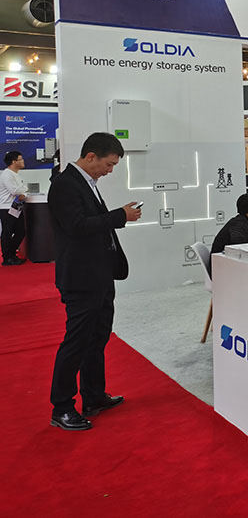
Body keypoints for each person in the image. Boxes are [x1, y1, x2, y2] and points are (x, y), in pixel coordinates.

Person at [48, 132, 142, 431]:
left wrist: (118, 216)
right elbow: (77, 226)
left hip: (100, 275)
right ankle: (62, 407)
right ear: (90, 156)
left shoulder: (87, 183)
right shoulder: (65, 184)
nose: (110, 170)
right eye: (108, 164)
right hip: (81, 278)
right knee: (76, 342)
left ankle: (93, 396)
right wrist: (120, 216)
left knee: (97, 339)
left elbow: (92, 225)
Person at [211, 193, 248, 265]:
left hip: (222, 263)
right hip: (222, 266)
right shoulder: (239, 226)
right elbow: (241, 252)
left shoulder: (241, 222)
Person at [1, 150, 28, 266]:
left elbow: (21, 191)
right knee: (7, 232)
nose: (23, 161)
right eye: (20, 159)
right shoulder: (7, 174)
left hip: (16, 207)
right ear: (14, 162)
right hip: (6, 207)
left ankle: (11, 254)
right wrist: (24, 190)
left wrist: (23, 191)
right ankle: (7, 257)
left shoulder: (15, 174)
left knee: (20, 231)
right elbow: (15, 191)